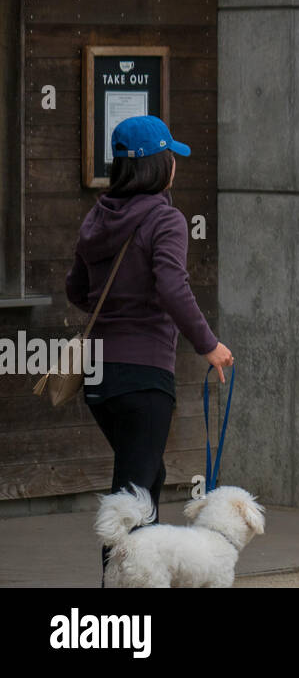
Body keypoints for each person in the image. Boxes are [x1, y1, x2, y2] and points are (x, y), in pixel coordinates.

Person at [65, 114, 233, 585]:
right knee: (132, 494)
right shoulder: (165, 218)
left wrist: (115, 302)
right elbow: (172, 287)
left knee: (145, 477)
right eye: (171, 157)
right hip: (143, 373)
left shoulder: (97, 217)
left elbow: (76, 290)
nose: (175, 166)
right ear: (159, 166)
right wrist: (209, 345)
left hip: (100, 377)